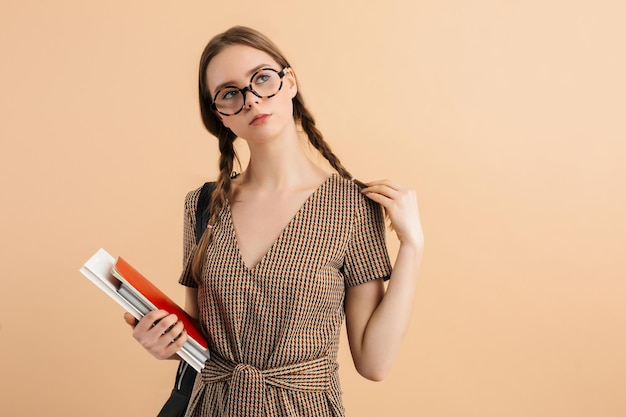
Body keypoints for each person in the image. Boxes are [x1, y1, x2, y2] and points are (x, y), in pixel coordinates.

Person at [124, 25, 424, 417]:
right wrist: (165, 343)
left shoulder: (353, 207)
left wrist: (413, 247)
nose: (250, 99)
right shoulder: (201, 205)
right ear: (220, 115)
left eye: (262, 78)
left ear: (290, 82)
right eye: (230, 93)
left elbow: (373, 362)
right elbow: (199, 338)